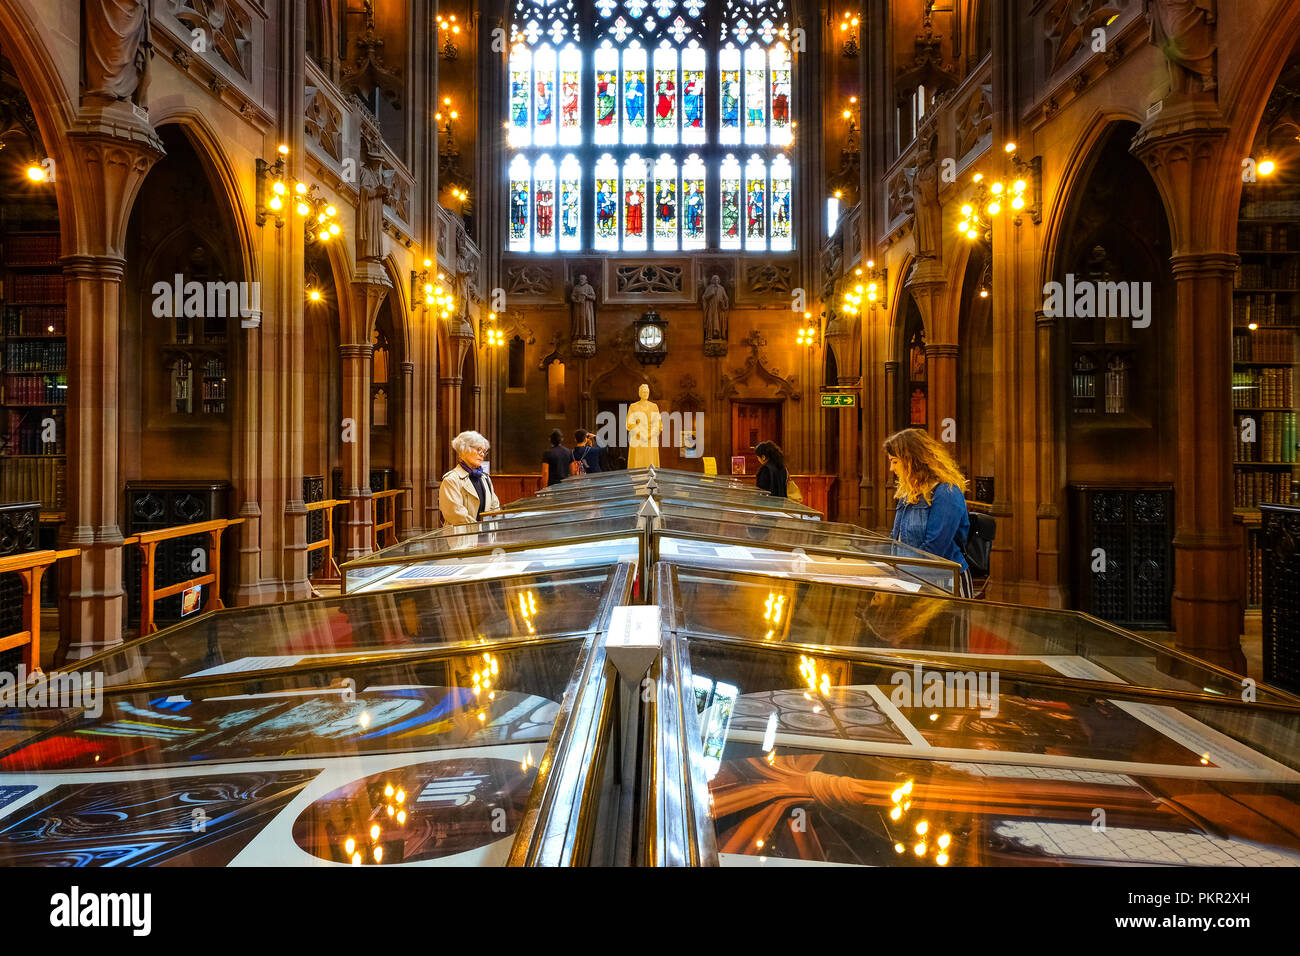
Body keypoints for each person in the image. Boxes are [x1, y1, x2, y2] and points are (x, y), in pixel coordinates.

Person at [884, 428, 973, 596]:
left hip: (944, 582)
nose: (891, 468)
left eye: (895, 462)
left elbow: (934, 550)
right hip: (911, 578)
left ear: (912, 461)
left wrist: (902, 577)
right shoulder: (908, 493)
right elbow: (896, 539)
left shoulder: (947, 493)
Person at [440, 430, 500, 528]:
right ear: (464, 450)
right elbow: (455, 514)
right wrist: (479, 529)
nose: (482, 454)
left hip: (486, 538)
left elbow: (495, 507)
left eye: (484, 451)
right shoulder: (451, 480)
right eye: (478, 449)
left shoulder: (485, 478)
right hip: (463, 539)